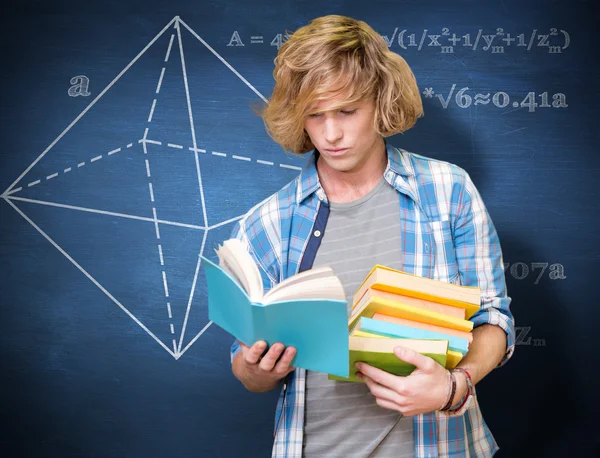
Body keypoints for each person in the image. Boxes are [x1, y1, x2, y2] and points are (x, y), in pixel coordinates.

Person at [229, 14, 515, 458]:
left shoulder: (447, 190)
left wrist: (454, 386)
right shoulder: (268, 221)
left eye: (346, 111)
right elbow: (248, 372)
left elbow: (493, 319)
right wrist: (256, 367)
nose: (331, 134)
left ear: (380, 101)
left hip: (440, 446)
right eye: (314, 115)